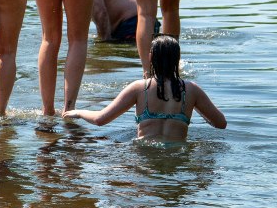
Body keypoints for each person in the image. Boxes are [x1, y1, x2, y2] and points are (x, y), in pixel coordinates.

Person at [63, 35, 226, 141]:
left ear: (151, 58)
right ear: (177, 59)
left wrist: (78, 112)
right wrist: (194, 104)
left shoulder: (139, 88)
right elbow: (220, 123)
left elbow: (100, 119)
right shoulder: (191, 90)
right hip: (178, 155)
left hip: (145, 155)